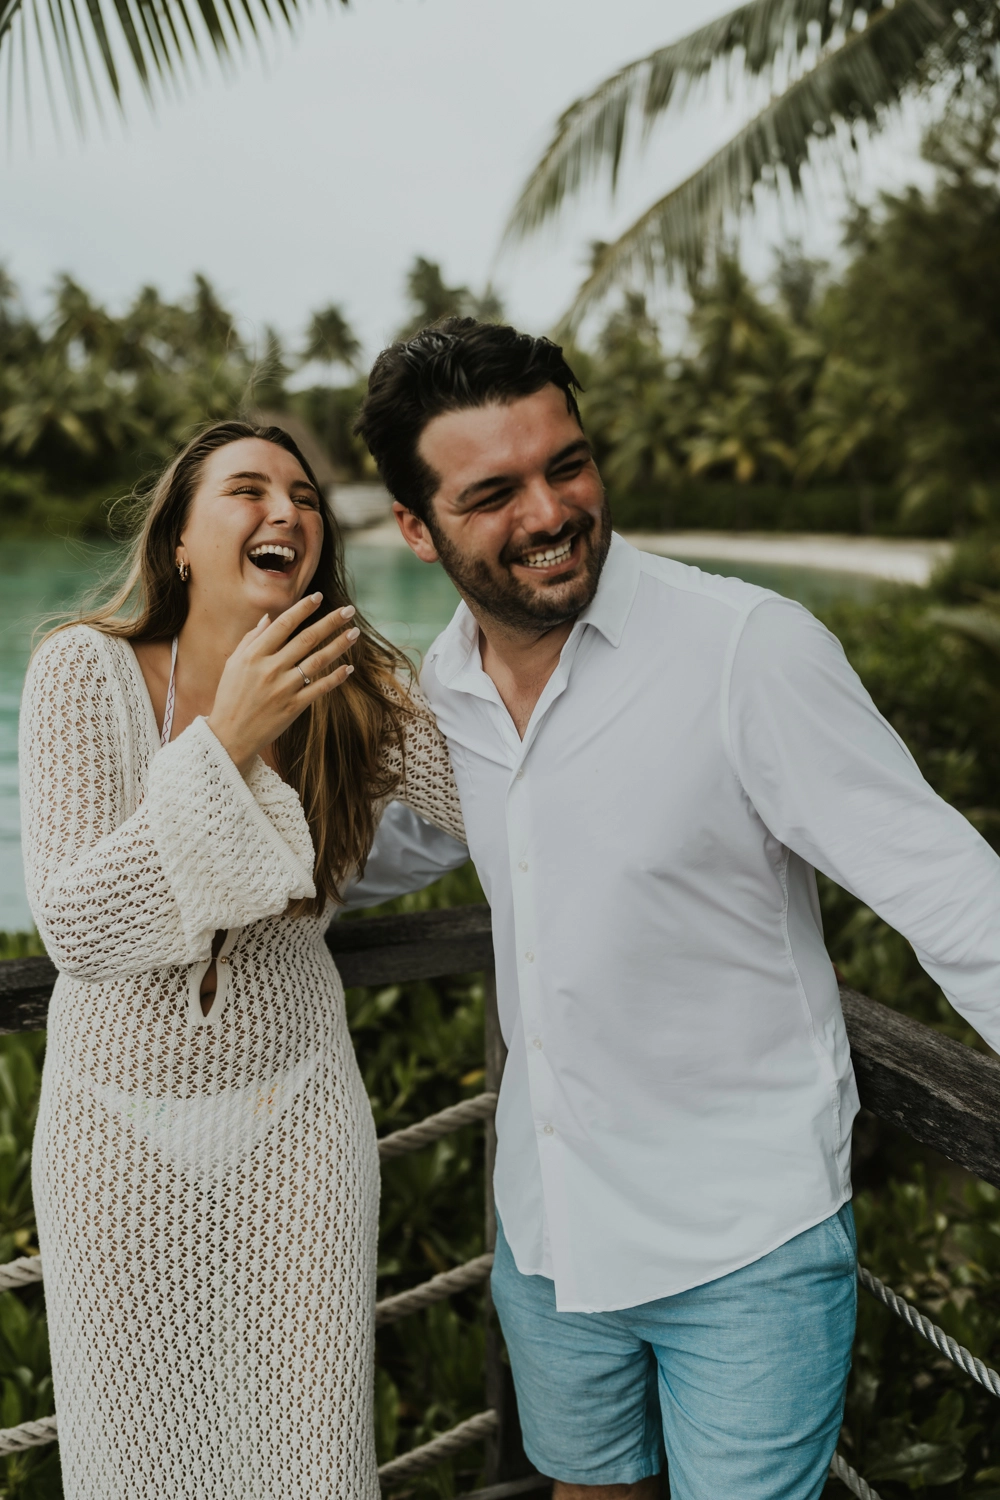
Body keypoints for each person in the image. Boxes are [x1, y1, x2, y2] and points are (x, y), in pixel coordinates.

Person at [355, 319, 1000, 1500]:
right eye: (493, 492)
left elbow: (951, 893)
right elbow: (363, 861)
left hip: (743, 1240)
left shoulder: (746, 651)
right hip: (548, 1233)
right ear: (412, 527)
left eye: (569, 465)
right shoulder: (440, 692)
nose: (550, 512)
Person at [18, 420, 465, 1499]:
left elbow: (494, 800)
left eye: (306, 498)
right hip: (113, 1135)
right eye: (249, 489)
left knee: (309, 1459)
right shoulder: (84, 669)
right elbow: (80, 929)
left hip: (301, 1123)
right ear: (177, 539)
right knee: (138, 1462)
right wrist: (227, 739)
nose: (288, 513)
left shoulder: (346, 692)